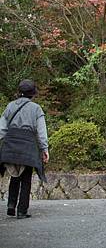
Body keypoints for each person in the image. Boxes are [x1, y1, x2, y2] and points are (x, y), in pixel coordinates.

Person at [0, 79, 49, 219]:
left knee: (15, 176)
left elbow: (2, 128)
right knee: (26, 178)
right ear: (33, 93)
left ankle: (11, 205)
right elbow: (41, 132)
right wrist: (44, 149)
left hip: (10, 145)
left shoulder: (10, 106)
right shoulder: (36, 109)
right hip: (27, 146)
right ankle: (22, 211)